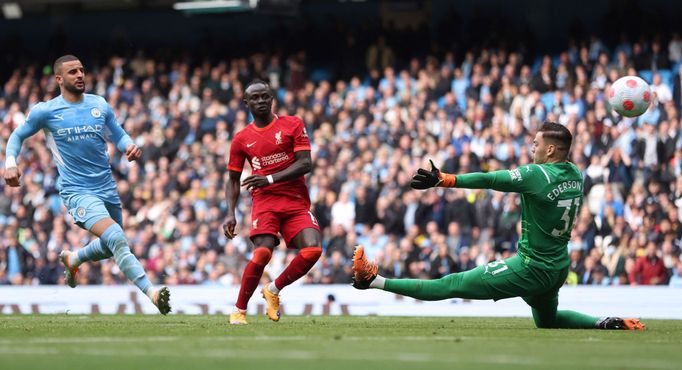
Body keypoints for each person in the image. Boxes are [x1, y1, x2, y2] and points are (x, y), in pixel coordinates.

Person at [351, 122, 645, 330]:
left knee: (451, 284)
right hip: (557, 268)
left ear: (552, 150)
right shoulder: (575, 174)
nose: (532, 149)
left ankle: (373, 280)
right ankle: (603, 322)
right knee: (548, 321)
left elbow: (491, 180)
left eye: (536, 144)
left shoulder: (537, 174)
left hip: (530, 267)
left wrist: (447, 180)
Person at [3, 55, 170, 314]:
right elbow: (17, 135)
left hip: (107, 188)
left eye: (81, 70)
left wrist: (129, 146)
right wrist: (10, 163)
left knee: (111, 245)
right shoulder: (45, 111)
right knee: (115, 237)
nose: (80, 75)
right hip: (77, 191)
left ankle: (74, 258)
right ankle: (152, 292)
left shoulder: (99, 105)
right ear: (59, 79)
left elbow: (117, 133)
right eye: (72, 72)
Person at [223, 79, 322, 325]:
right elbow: (233, 179)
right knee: (262, 253)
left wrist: (268, 178)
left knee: (313, 250)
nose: (260, 101)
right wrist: (230, 213)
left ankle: (273, 289)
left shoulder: (293, 124)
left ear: (272, 98)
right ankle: (239, 310)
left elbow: (305, 163)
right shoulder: (241, 139)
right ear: (246, 103)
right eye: (254, 98)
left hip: (295, 201)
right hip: (265, 203)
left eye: (264, 96)